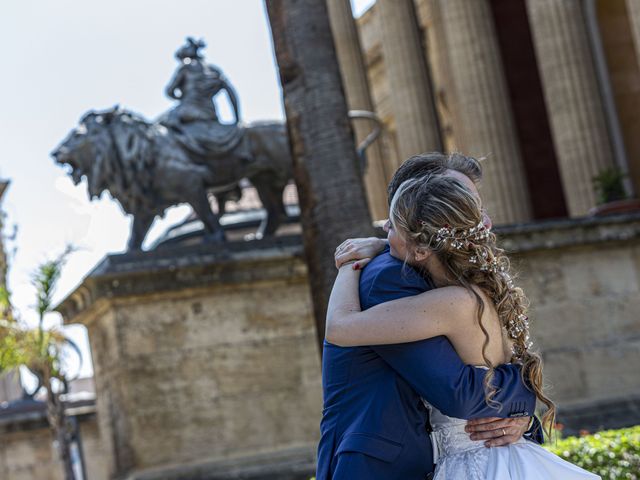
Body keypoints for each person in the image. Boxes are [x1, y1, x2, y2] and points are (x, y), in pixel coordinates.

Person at [326, 167, 600, 478]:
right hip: (508, 455)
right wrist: (520, 409)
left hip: (471, 461)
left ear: (421, 247)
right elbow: (509, 374)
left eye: (393, 225)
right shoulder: (489, 292)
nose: (384, 229)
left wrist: (349, 265)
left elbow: (339, 328)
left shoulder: (450, 302)